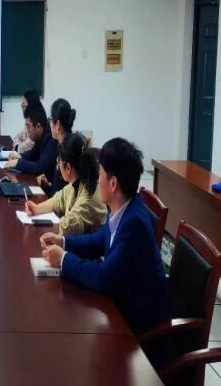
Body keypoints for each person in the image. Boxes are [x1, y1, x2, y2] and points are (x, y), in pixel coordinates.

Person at [39, 138, 169, 335]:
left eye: (100, 175)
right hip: (119, 304)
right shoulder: (121, 206)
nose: (97, 180)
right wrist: (63, 242)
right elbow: (98, 240)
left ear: (113, 183)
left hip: (139, 325)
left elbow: (103, 277)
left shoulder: (134, 224)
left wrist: (63, 259)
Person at [25, 133, 106, 235]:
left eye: (59, 161)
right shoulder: (77, 183)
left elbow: (67, 227)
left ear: (68, 167)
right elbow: (57, 200)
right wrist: (36, 208)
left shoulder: (87, 198)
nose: (58, 165)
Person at [5, 101, 58, 178]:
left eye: (28, 127)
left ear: (38, 126)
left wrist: (18, 163)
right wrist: (19, 156)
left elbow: (39, 168)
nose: (27, 130)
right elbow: (32, 154)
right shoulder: (40, 136)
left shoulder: (51, 140)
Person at [38, 98, 76, 197]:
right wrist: (48, 186)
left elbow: (68, 195)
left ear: (57, 125)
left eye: (50, 120)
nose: (49, 124)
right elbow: (60, 191)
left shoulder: (69, 151)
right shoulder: (62, 145)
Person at [13, 89, 41, 153]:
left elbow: (26, 147)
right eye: (21, 106)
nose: (22, 109)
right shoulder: (28, 121)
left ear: (32, 106)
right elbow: (17, 137)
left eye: (23, 106)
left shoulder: (35, 124)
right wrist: (18, 146)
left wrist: (17, 147)